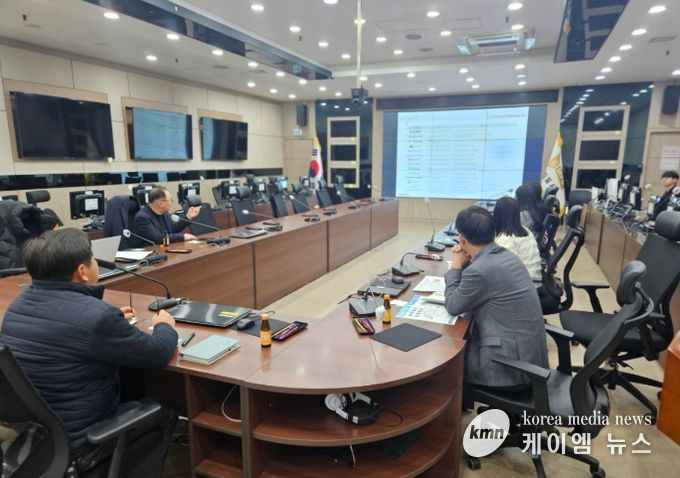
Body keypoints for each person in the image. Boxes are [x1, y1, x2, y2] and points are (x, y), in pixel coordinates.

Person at [0, 228, 179, 477]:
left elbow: (69, 327)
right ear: (82, 272)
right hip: (82, 443)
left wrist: (112, 323)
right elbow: (159, 352)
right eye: (93, 259)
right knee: (166, 407)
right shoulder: (97, 319)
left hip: (38, 437)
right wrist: (164, 325)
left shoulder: (17, 306)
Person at [444, 206, 548, 389]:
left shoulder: (480, 270)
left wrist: (456, 265)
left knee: (447, 362)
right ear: (494, 233)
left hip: (510, 368)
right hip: (530, 359)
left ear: (462, 239)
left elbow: (453, 306)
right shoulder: (507, 256)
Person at [492, 197, 542, 280]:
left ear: (497, 215)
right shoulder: (526, 230)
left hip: (523, 282)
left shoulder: (505, 238)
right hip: (534, 277)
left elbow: (506, 269)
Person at [133, 186, 200, 245]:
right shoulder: (142, 217)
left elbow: (173, 229)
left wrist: (188, 217)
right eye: (170, 200)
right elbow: (157, 238)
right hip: (150, 252)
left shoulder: (164, 213)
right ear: (161, 204)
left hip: (164, 249)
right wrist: (182, 237)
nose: (171, 203)